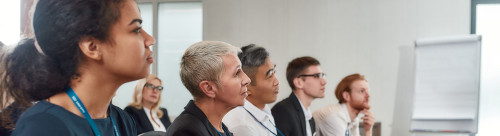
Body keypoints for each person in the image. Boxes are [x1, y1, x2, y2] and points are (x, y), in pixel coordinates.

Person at [1, 0, 155, 135]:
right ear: (92, 47)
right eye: (136, 29)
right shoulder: (43, 127)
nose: (150, 39)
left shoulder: (122, 121)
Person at [165, 41, 251, 136]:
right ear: (209, 88)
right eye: (236, 73)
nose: (247, 80)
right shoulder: (187, 131)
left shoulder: (220, 128)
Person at [222, 44, 283, 136]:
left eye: (274, 71)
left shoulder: (263, 110)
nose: (277, 82)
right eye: (270, 75)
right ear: (247, 86)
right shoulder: (241, 125)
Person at [271, 56, 327, 136]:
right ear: (298, 82)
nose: (324, 81)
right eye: (317, 76)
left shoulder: (310, 118)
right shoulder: (283, 111)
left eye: (323, 75)